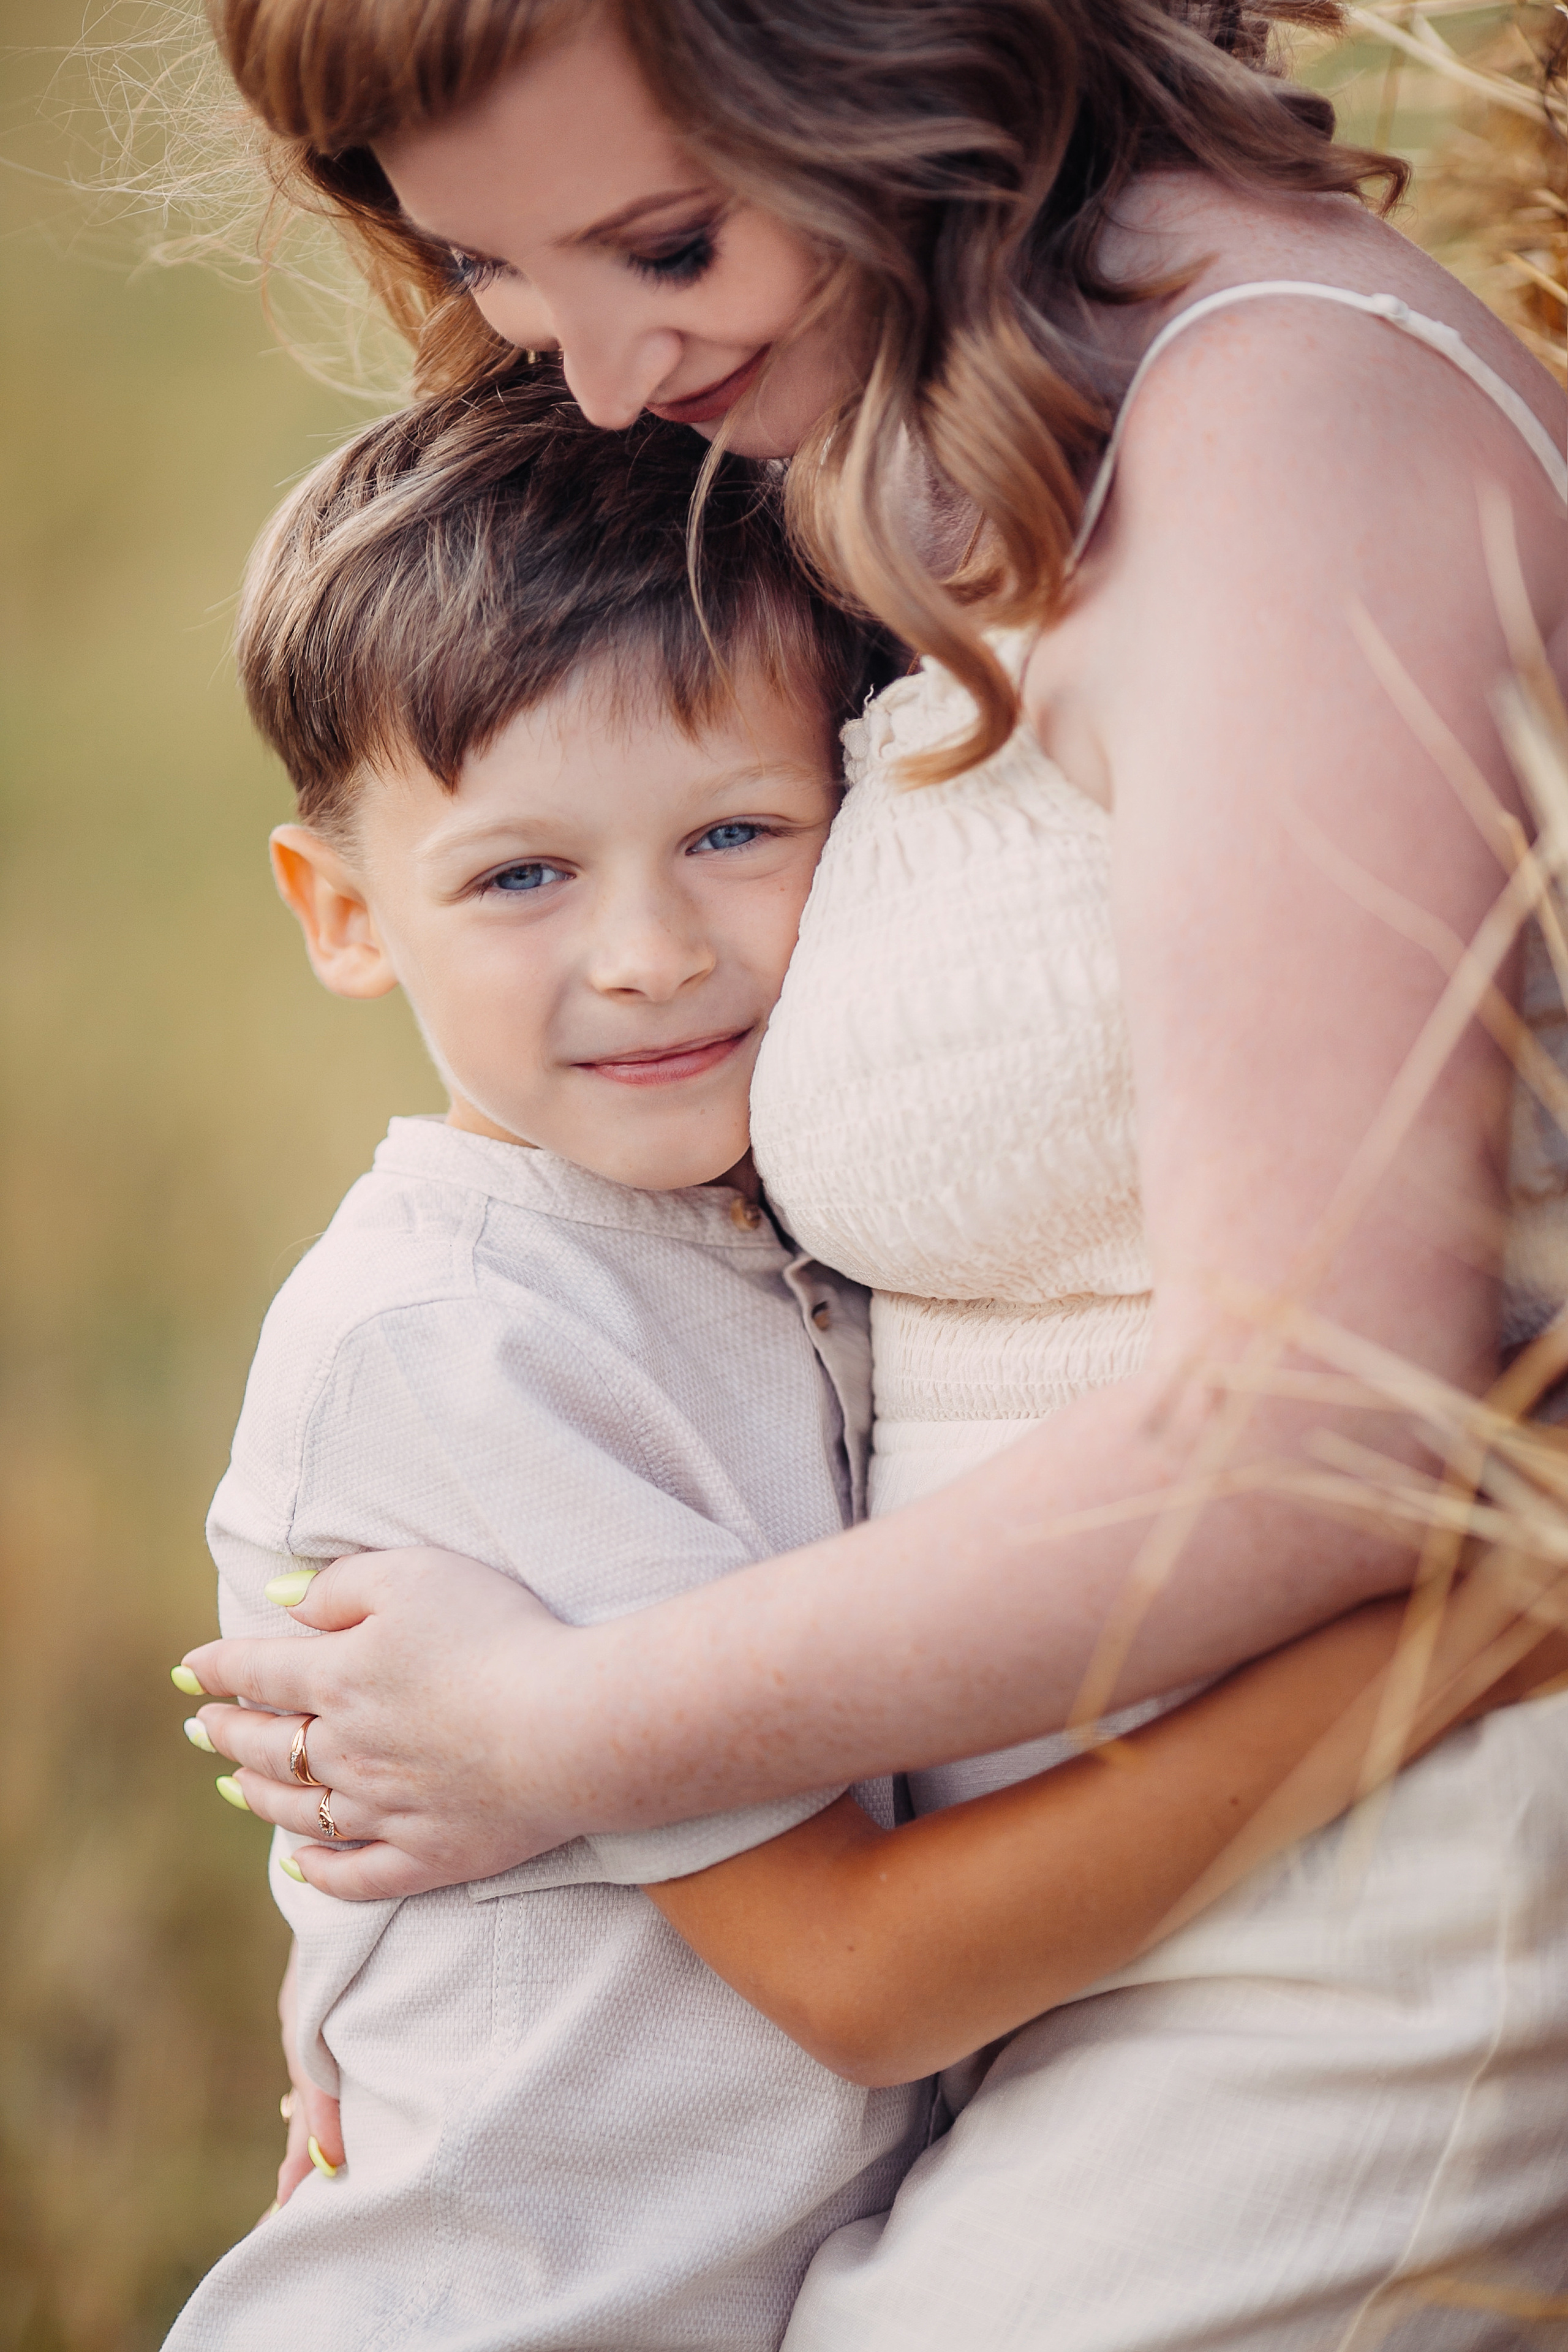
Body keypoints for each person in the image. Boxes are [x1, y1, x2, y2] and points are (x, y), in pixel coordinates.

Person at [176, 1, 1568, 2341]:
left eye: (663, 243)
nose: (596, 380)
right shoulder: (907, 423)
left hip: (1370, 1897)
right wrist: (434, 2003)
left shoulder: (1283, 431)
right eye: (491, 268)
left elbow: (1332, 1418)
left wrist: (550, 1745)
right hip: (1109, 1927)